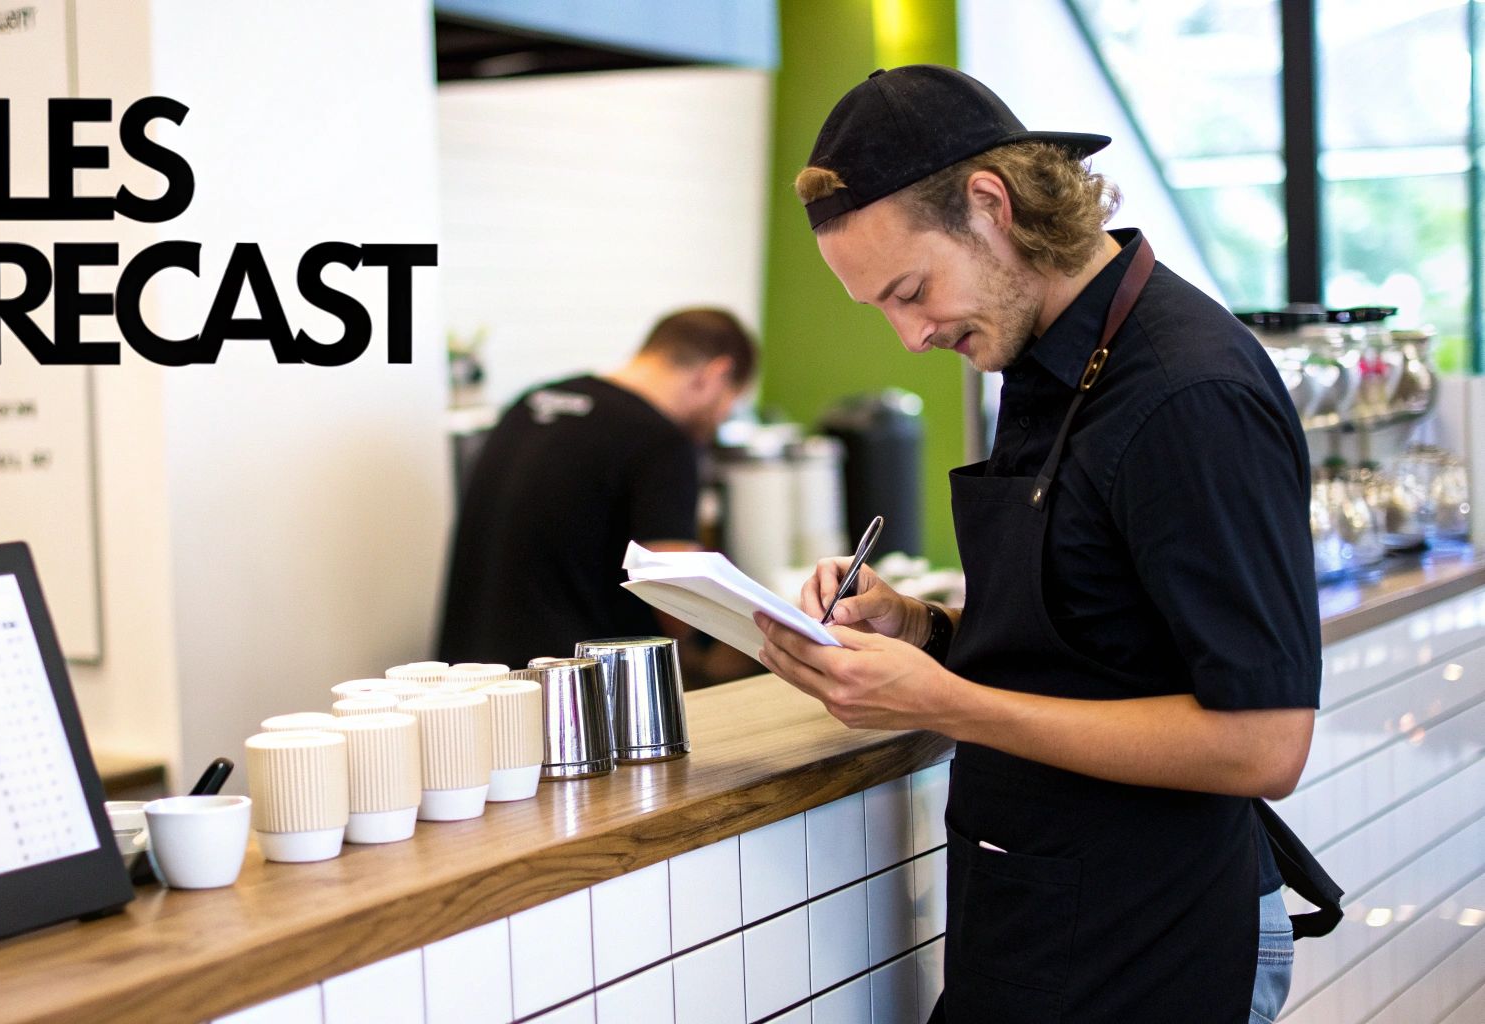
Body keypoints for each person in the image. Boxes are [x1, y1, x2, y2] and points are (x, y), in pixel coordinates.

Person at [753, 66, 1324, 1023]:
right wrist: (924, 628)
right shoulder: (1043, 352)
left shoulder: (1189, 395)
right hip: (1044, 927)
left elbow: (1263, 741)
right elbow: (1101, 633)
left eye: (912, 290)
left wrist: (953, 703)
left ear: (991, 206)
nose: (909, 337)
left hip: (1154, 945)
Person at [437, 308, 758, 672]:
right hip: (568, 690)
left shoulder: (529, 404)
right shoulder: (661, 442)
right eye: (732, 400)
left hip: (469, 674)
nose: (722, 417)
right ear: (716, 374)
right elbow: (679, 599)